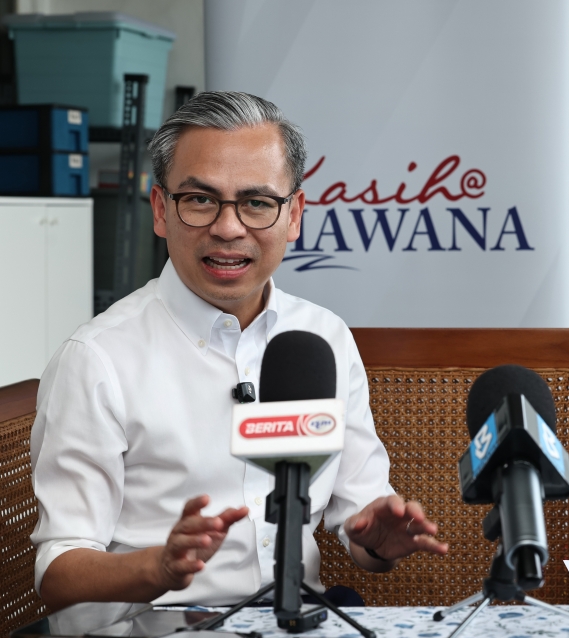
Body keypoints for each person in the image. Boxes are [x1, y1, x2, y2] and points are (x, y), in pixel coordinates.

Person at [30, 92, 448, 611]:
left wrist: (377, 541)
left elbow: (359, 514)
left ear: (294, 215)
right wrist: (158, 566)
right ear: (161, 210)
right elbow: (58, 572)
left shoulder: (324, 338)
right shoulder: (97, 359)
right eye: (200, 199)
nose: (228, 228)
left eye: (256, 202)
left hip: (300, 627)